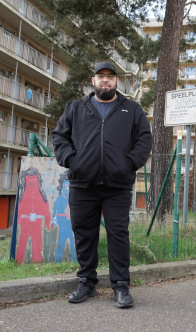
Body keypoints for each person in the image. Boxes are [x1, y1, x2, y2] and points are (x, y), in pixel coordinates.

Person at [52, 61, 152, 308]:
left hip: (117, 184)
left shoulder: (131, 109)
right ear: (93, 81)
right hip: (82, 183)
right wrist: (73, 161)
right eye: (100, 76)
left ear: (117, 81)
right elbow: (59, 137)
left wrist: (128, 164)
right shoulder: (75, 108)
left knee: (118, 234)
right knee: (84, 234)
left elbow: (144, 140)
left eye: (110, 76)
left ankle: (120, 286)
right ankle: (87, 282)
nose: (105, 80)